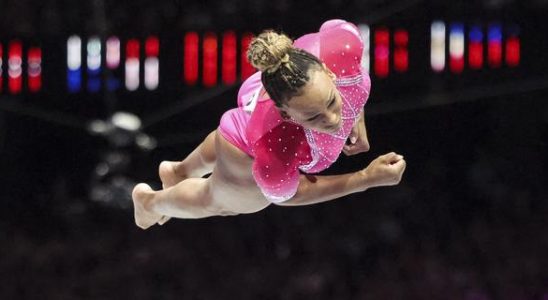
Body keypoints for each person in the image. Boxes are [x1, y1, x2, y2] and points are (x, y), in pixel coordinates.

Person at [132, 19, 406, 229]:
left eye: (333, 102)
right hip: (244, 143)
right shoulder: (275, 148)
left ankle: (179, 170)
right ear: (287, 115)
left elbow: (335, 27)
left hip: (272, 87)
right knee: (220, 202)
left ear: (329, 72)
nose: (334, 121)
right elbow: (290, 195)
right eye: (313, 118)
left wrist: (355, 117)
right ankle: (149, 202)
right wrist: (365, 179)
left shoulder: (343, 50)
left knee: (306, 110)